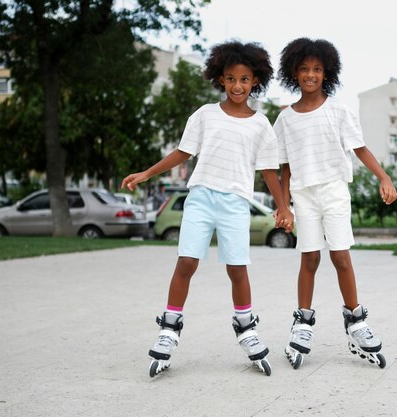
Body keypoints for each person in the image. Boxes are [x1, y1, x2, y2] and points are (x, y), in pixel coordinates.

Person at [121, 41, 294, 378]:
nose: (237, 86)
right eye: (230, 79)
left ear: (255, 80)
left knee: (237, 268)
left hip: (235, 202)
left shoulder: (261, 125)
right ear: (220, 79)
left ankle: (246, 328)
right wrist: (147, 172)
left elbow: (269, 172)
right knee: (187, 261)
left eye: (245, 79)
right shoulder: (205, 114)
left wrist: (283, 207)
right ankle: (169, 329)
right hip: (201, 197)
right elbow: (183, 152)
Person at [274, 38, 397, 369]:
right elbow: (283, 167)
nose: (310, 75)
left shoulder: (338, 109)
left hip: (333, 191)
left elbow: (360, 148)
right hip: (303, 194)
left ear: (326, 72)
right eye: (304, 69)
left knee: (341, 256)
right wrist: (283, 206)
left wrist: (384, 178)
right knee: (309, 257)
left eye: (317, 69)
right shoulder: (285, 118)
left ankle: (355, 320)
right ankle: (302, 323)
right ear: (294, 73)